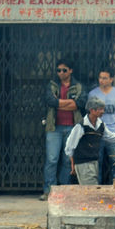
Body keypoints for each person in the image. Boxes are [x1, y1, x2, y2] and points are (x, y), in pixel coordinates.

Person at [42, 59, 85, 200]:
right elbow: (50, 101)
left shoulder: (78, 86)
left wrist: (59, 103)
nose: (61, 73)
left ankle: (64, 190)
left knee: (68, 160)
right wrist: (69, 103)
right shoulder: (52, 85)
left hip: (72, 127)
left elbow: (80, 104)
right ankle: (49, 190)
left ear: (71, 70)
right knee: (52, 159)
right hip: (54, 127)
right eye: (59, 70)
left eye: (64, 70)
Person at [64, 98, 115, 186]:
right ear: (92, 110)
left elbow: (110, 137)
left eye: (103, 109)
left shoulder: (100, 125)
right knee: (91, 189)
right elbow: (69, 147)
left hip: (94, 162)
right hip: (83, 163)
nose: (103, 111)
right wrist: (73, 163)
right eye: (100, 109)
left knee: (90, 190)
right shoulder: (81, 126)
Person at [88, 67, 115, 183]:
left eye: (105, 78)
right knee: (96, 165)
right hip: (97, 133)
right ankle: (97, 191)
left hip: (113, 133)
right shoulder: (93, 94)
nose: (102, 80)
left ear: (111, 79)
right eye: (100, 78)